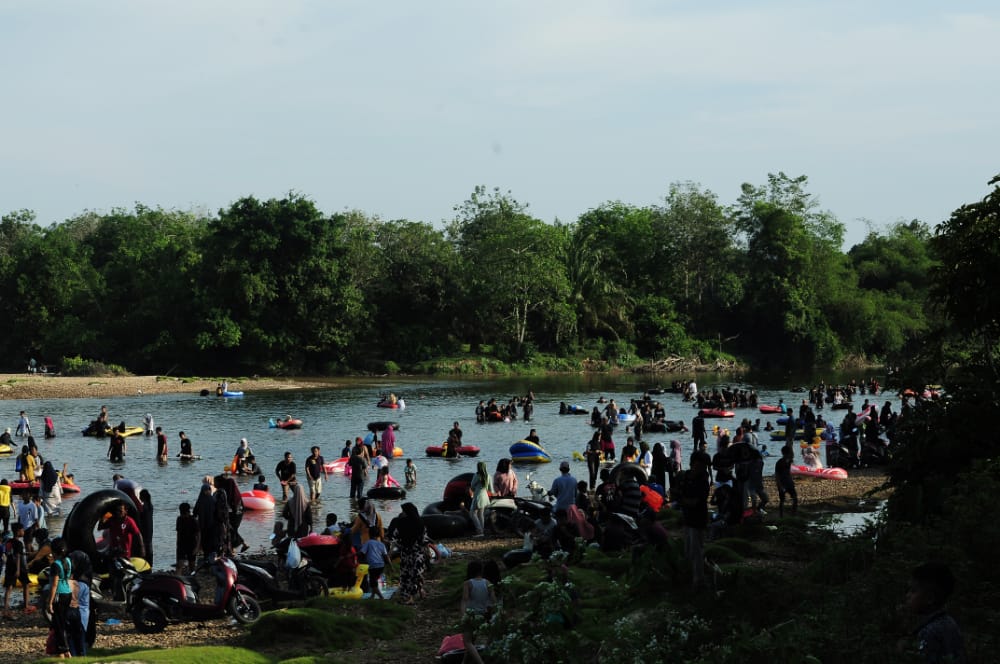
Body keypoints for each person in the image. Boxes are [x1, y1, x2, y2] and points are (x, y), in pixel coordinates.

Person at [901, 562, 966, 663]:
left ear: (930, 598)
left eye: (913, 591)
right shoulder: (950, 623)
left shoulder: (928, 633)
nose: (907, 595)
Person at [675, 450, 711, 587]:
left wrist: (681, 499)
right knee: (689, 551)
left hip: (698, 519)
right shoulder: (687, 477)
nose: (702, 468)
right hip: (688, 518)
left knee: (696, 551)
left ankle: (698, 581)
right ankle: (692, 577)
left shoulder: (702, 481)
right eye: (701, 464)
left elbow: (695, 502)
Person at [386, 503, 429, 604]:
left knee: (408, 576)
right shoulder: (420, 523)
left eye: (403, 511)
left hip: (407, 553)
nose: (402, 513)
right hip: (417, 554)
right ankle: (419, 591)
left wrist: (390, 553)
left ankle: (410, 597)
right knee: (416, 574)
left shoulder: (402, 524)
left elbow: (395, 540)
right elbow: (424, 540)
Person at [460, 559, 496, 664]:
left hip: (471, 615)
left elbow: (464, 600)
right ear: (481, 571)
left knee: (467, 641)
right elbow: (494, 600)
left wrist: (463, 615)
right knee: (472, 640)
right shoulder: (487, 582)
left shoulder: (468, 584)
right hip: (484, 614)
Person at [46, 537, 74, 658]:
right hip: (68, 592)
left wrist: (49, 602)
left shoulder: (55, 565)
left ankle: (64, 650)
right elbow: (69, 576)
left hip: (59, 594)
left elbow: (54, 585)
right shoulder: (68, 561)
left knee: (58, 624)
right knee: (62, 622)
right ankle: (63, 649)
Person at [3, 523, 33, 617]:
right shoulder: (19, 543)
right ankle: (26, 605)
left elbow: (8, 554)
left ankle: (6, 608)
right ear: (18, 531)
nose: (23, 532)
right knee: (26, 584)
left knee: (9, 587)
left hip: (9, 566)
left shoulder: (8, 542)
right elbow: (18, 556)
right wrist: (18, 570)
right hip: (19, 568)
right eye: (22, 530)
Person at [359, 533, 391, 600]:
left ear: (370, 535)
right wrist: (390, 565)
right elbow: (386, 556)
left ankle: (381, 597)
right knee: (374, 581)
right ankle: (372, 596)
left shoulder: (368, 543)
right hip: (381, 565)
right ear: (377, 536)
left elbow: (362, 552)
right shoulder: (381, 544)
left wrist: (361, 560)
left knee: (372, 583)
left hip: (373, 565)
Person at [193, 482, 218, 563]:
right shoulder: (213, 499)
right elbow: (217, 512)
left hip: (202, 525)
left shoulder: (200, 500)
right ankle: (213, 557)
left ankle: (206, 557)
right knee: (212, 540)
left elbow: (194, 513)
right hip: (213, 524)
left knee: (204, 541)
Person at [175, 502, 200, 574]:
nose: (182, 515)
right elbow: (178, 532)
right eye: (181, 513)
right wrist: (177, 544)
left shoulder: (193, 520)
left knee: (192, 566)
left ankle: (193, 579)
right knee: (179, 565)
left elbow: (198, 534)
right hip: (181, 545)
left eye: (183, 513)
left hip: (191, 545)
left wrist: (197, 547)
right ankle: (177, 579)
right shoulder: (179, 519)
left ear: (187, 512)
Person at [469, 461, 493, 538]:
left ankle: (479, 530)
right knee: (481, 514)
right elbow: (490, 489)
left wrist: (475, 489)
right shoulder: (488, 476)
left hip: (478, 496)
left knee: (472, 513)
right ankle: (482, 530)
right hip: (485, 497)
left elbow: (472, 486)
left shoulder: (477, 475)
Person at [775, 446, 798, 517]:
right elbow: (777, 475)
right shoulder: (779, 462)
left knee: (795, 498)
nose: (790, 454)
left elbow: (792, 457)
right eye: (789, 453)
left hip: (789, 483)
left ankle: (793, 514)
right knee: (782, 500)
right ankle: (781, 515)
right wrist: (780, 485)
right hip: (782, 483)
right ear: (784, 453)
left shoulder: (789, 461)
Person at [138, 489, 155, 565]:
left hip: (144, 530)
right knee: (149, 547)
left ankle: (145, 564)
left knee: (145, 548)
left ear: (142, 497)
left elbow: (140, 518)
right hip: (150, 529)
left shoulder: (144, 507)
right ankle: (150, 565)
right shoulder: (150, 506)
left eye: (140, 496)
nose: (139, 497)